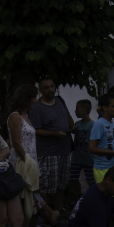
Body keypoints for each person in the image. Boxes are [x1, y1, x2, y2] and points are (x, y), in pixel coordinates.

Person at [7, 84, 57, 227]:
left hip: (31, 163)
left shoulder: (26, 116)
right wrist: (28, 162)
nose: (36, 100)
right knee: (23, 199)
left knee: (33, 197)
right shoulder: (15, 116)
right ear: (26, 98)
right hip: (21, 164)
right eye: (34, 97)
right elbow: (16, 143)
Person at [29, 77, 75, 218]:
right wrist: (53, 134)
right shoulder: (37, 108)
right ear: (40, 90)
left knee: (62, 183)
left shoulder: (60, 100)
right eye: (46, 87)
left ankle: (59, 210)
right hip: (49, 152)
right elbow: (36, 130)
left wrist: (72, 127)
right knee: (48, 186)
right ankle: (46, 214)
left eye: (52, 86)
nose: (50, 90)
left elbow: (68, 116)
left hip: (64, 149)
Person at [89, 93, 114, 184]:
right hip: (103, 168)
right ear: (105, 108)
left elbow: (107, 145)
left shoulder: (112, 122)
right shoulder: (99, 124)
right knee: (107, 196)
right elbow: (92, 149)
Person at [70, 99, 96, 190]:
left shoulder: (93, 125)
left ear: (84, 110)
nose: (75, 111)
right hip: (76, 158)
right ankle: (78, 198)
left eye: (77, 109)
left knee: (91, 181)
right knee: (73, 178)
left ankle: (92, 197)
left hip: (89, 159)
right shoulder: (77, 124)